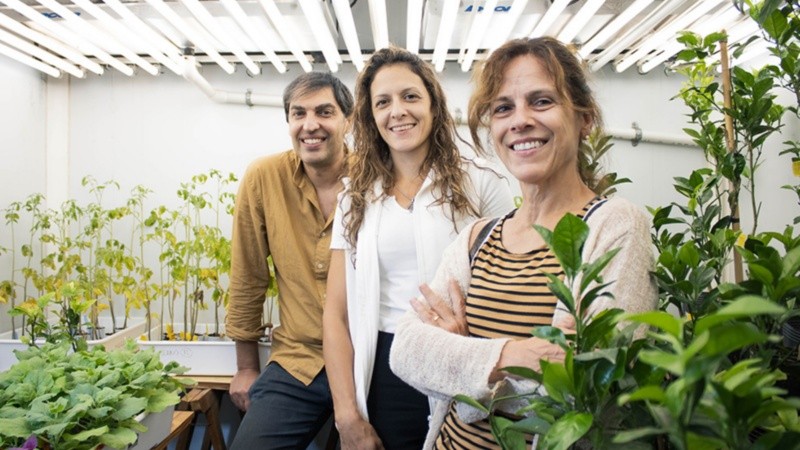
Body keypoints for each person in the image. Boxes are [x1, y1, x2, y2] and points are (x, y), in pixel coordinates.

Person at [389, 37, 658, 449]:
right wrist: (510, 357)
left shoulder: (615, 224)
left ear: (583, 118)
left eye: (542, 101)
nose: (520, 121)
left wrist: (462, 361)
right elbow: (406, 350)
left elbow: (584, 386)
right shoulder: (477, 237)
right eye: (503, 108)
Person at [323, 47, 514, 450]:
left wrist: (471, 345)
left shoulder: (482, 182)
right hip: (385, 370)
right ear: (370, 116)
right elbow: (336, 314)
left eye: (410, 96)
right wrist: (346, 417)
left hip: (464, 356)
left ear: (433, 103)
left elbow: (511, 288)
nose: (398, 111)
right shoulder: (354, 198)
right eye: (383, 102)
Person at [226, 72, 354, 449]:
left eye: (324, 112)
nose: (310, 125)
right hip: (299, 361)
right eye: (298, 114)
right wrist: (246, 367)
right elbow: (248, 273)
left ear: (348, 119)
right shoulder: (264, 178)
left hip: (368, 361)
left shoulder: (375, 178)